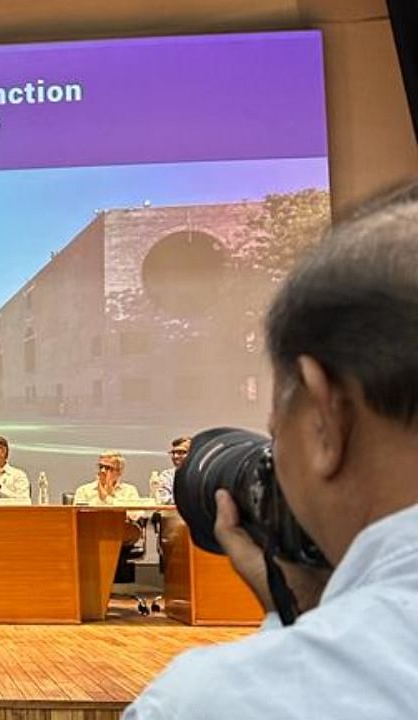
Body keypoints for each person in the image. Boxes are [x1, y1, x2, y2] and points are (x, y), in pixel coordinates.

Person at [125, 184, 418, 718]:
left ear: (326, 418)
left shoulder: (212, 703)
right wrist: (302, 611)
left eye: (278, 424)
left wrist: (293, 634)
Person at [74, 451, 141, 505]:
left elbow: (135, 516)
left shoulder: (130, 491)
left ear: (119, 471)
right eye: (100, 467)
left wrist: (111, 497)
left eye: (108, 468)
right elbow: (76, 516)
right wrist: (101, 498)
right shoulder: (83, 490)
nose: (102, 471)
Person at [151, 436, 191, 504]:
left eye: (181, 452)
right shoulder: (167, 475)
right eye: (173, 453)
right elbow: (163, 499)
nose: (175, 456)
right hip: (173, 514)